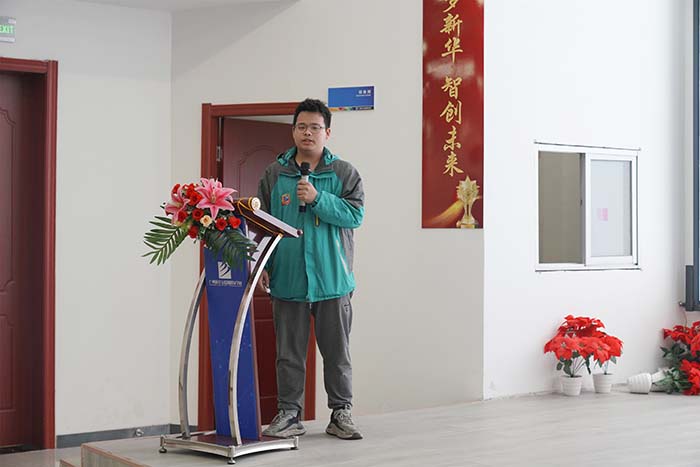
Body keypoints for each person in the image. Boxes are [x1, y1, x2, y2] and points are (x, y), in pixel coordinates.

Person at [256, 98, 365, 440]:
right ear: (293, 131)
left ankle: (341, 413)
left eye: (315, 127)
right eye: (302, 126)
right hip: (288, 277)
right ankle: (290, 413)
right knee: (288, 354)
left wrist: (318, 198)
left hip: (333, 279)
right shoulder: (275, 174)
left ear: (327, 133)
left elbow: (355, 216)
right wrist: (263, 264)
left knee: (337, 353)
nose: (308, 133)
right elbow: (263, 224)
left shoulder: (344, 173)